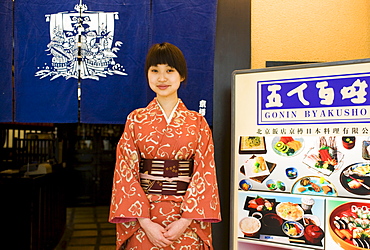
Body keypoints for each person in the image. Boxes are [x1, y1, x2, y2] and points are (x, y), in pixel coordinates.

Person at [109, 42, 221, 250]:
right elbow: (124, 173)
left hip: (187, 218)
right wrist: (145, 222)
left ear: (182, 75)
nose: (162, 78)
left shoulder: (197, 122)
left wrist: (185, 221)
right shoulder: (136, 119)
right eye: (155, 71)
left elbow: (205, 173)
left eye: (169, 70)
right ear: (148, 75)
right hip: (143, 218)